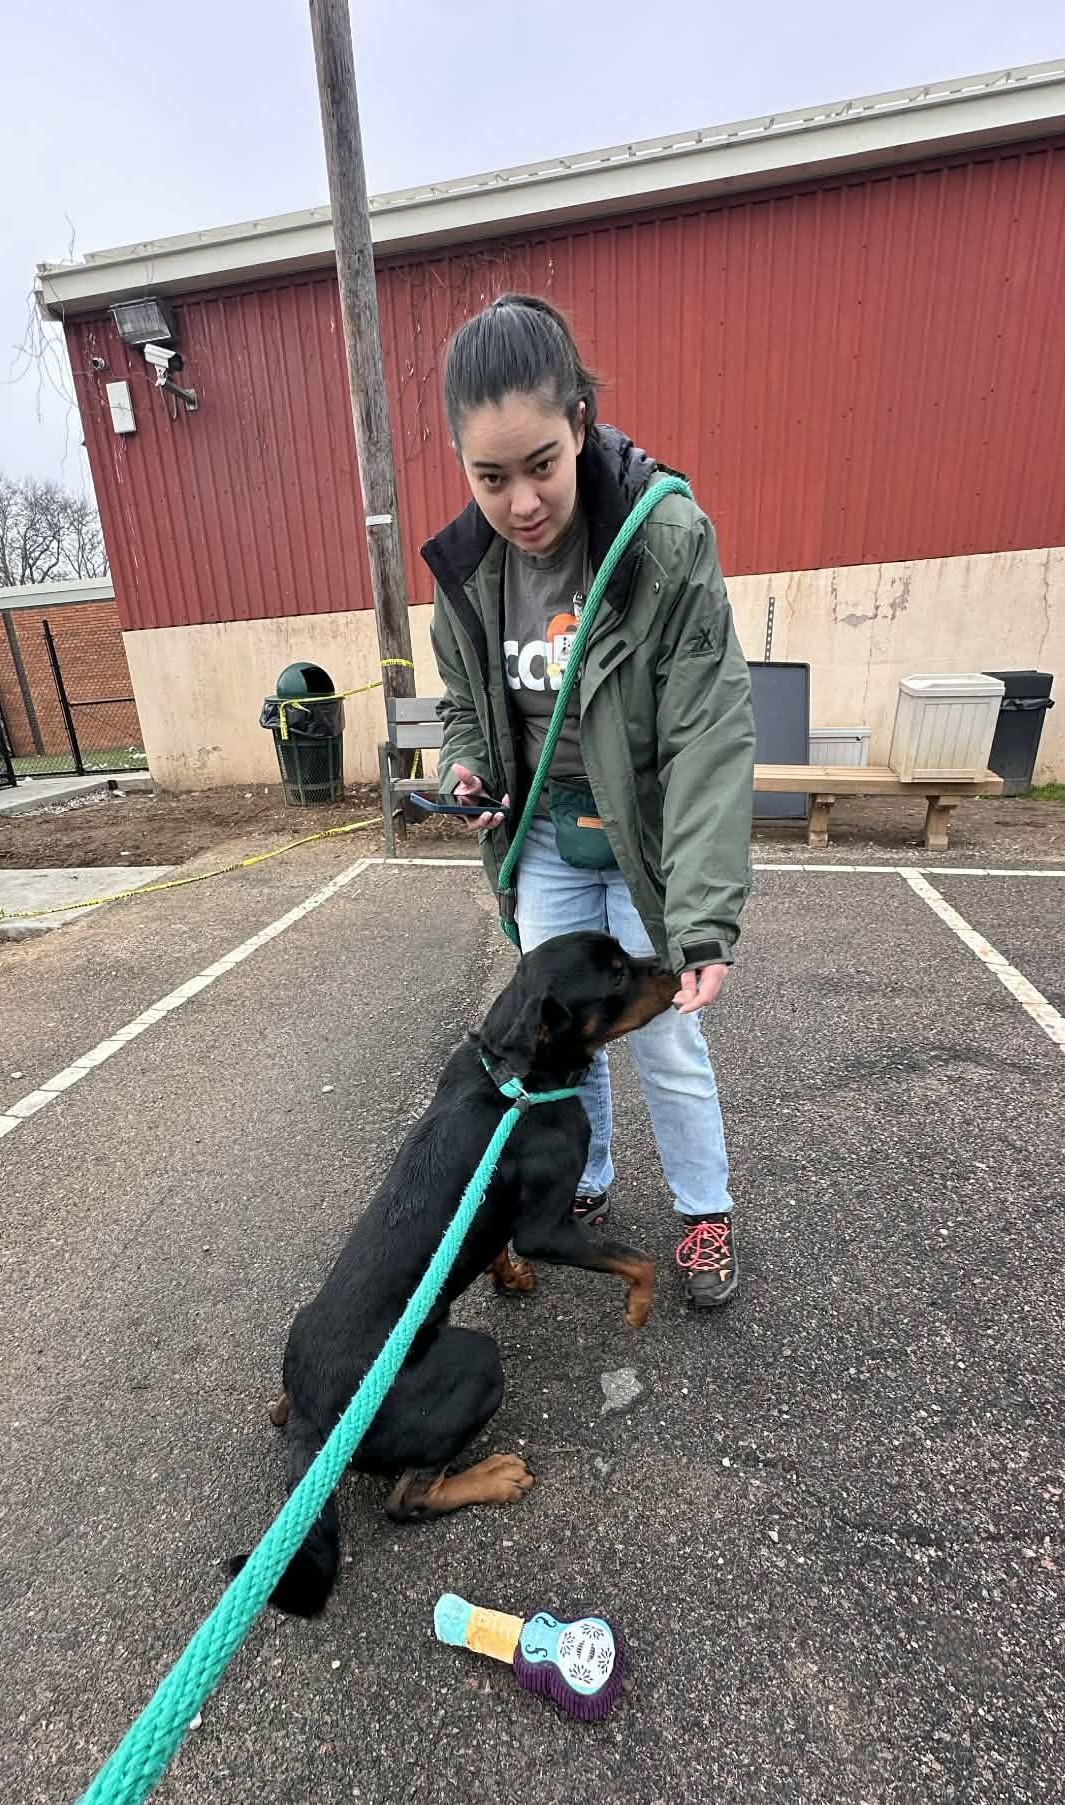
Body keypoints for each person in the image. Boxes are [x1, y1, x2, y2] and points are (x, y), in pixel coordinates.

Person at [422, 294, 755, 1310]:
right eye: (490, 476)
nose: (520, 501)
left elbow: (708, 729)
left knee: (664, 1032)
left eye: (540, 465)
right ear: (461, 463)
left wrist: (701, 920)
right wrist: (468, 768)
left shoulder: (663, 538)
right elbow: (468, 710)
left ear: (580, 422)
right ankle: (591, 1177)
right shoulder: (466, 571)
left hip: (647, 836)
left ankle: (704, 1211)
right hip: (550, 844)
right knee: (567, 1032)